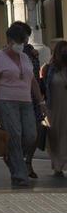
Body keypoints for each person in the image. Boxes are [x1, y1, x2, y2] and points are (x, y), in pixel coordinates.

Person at [0, 24, 48, 187]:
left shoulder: (25, 57)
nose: (21, 44)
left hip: (26, 101)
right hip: (6, 101)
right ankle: (20, 175)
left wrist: (41, 101)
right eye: (18, 41)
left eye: (23, 41)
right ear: (9, 40)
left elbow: (33, 80)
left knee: (30, 135)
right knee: (14, 135)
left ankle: (11, 156)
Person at [42, 40, 67, 177]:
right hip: (54, 107)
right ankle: (57, 165)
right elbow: (44, 87)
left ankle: (64, 161)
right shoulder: (49, 68)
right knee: (55, 135)